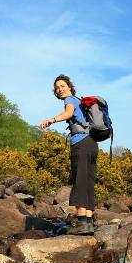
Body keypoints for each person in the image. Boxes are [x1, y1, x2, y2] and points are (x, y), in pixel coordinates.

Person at [39, 74, 98, 235]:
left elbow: (69, 113)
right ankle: (88, 223)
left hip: (81, 143)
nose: (60, 89)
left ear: (70, 87)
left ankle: (81, 223)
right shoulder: (80, 101)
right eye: (57, 88)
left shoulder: (70, 100)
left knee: (79, 180)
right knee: (87, 182)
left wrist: (52, 120)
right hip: (92, 144)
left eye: (62, 86)